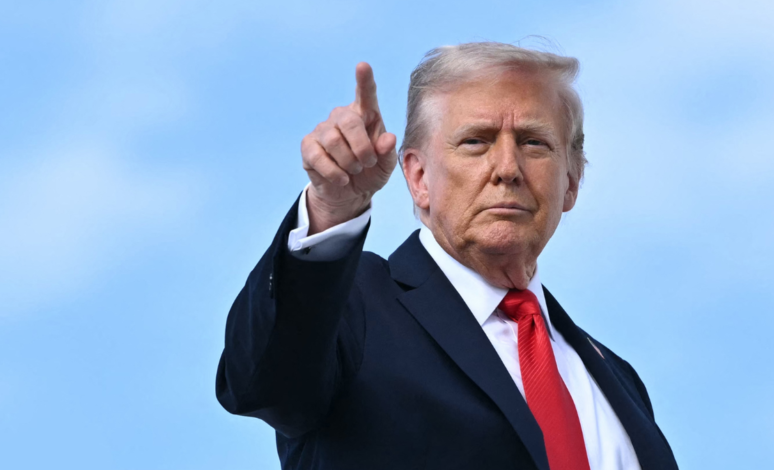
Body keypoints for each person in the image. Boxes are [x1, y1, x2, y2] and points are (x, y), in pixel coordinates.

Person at [216, 42, 678, 470]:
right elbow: (263, 385)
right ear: (418, 178)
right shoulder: (353, 308)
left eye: (534, 142)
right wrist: (330, 209)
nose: (507, 169)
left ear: (572, 182)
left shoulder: (618, 380)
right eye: (476, 141)